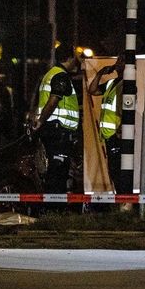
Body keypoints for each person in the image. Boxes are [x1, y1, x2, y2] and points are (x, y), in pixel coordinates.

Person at [31, 42, 82, 194]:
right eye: (75, 57)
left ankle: (53, 208)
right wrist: (40, 121)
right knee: (58, 172)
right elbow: (53, 100)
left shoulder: (50, 74)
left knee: (54, 171)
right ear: (68, 58)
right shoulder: (61, 76)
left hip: (52, 130)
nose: (77, 61)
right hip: (58, 131)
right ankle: (55, 209)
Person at [85, 56, 125, 192]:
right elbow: (92, 90)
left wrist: (121, 131)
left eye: (122, 61)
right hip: (109, 135)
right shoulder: (111, 83)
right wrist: (100, 73)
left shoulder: (128, 84)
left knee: (119, 171)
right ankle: (121, 202)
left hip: (118, 135)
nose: (118, 64)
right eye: (118, 61)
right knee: (114, 170)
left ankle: (124, 202)